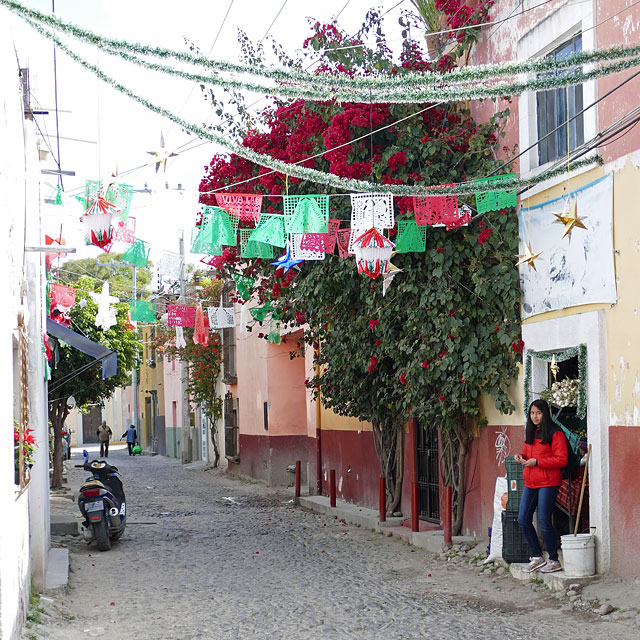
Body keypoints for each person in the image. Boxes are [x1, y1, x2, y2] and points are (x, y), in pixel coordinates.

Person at [515, 399, 568, 574]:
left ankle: (554, 559)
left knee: (544, 521)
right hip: (531, 481)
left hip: (548, 482)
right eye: (532, 413)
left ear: (545, 414)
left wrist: (537, 462)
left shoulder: (555, 433)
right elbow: (528, 453)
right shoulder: (531, 431)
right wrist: (520, 456)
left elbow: (562, 459)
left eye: (538, 413)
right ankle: (537, 556)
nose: (535, 416)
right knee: (523, 519)